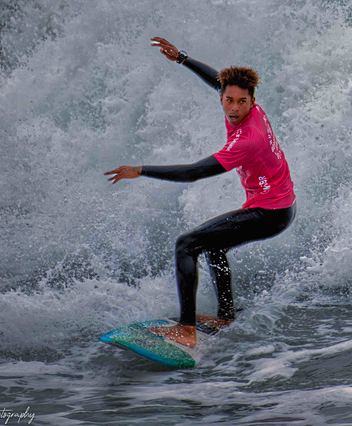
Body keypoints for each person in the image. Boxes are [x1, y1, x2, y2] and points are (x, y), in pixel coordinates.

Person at [104, 37, 296, 347]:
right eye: (228, 100)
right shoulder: (249, 108)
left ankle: (186, 330)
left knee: (187, 245)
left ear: (252, 100)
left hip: (270, 214)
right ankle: (226, 316)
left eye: (240, 102)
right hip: (280, 205)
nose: (233, 108)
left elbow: (193, 172)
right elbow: (218, 80)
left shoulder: (247, 140)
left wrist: (141, 170)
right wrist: (181, 58)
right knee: (214, 245)